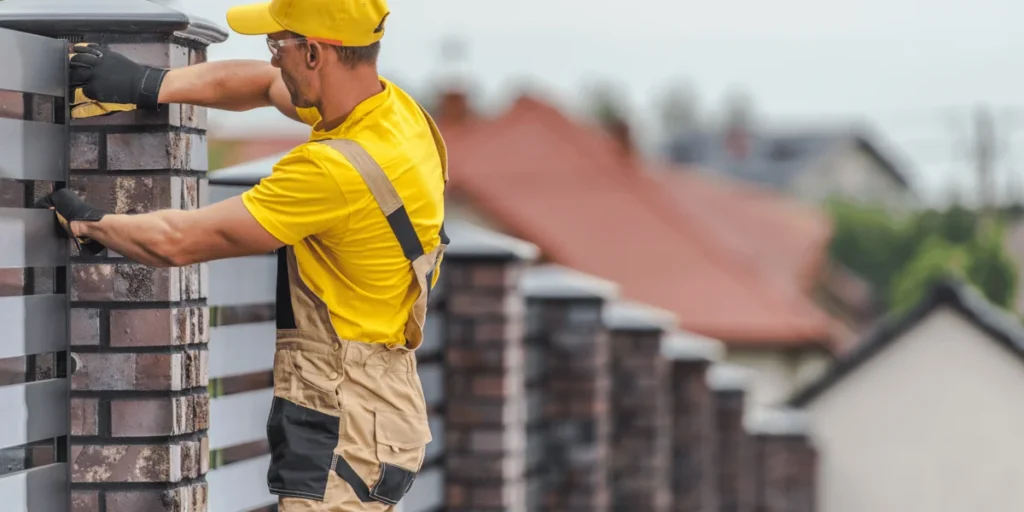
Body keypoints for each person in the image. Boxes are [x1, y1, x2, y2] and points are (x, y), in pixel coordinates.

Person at [39, 0, 447, 510]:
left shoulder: (331, 172)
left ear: (316, 54)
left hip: (344, 412)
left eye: (279, 45)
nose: (273, 58)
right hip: (378, 399)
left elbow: (179, 240)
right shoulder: (395, 115)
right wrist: (151, 84)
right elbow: (261, 84)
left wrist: (89, 223)